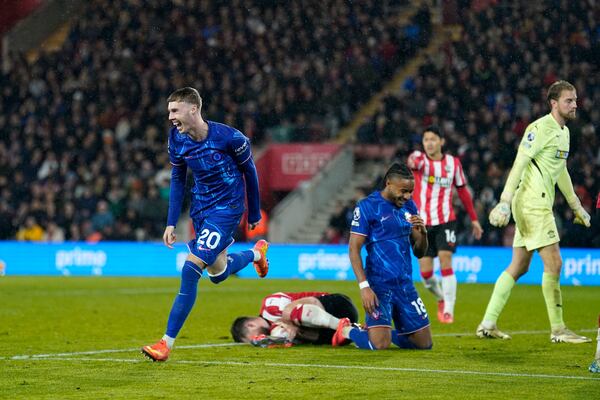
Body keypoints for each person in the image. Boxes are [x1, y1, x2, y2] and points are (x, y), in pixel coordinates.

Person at [142, 87, 270, 362]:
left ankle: (165, 343)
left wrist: (255, 211)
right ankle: (257, 254)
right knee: (218, 273)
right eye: (169, 111)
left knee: (191, 269)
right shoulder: (176, 139)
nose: (170, 117)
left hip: (228, 209)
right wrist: (170, 222)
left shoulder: (230, 138)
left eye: (175, 111)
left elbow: (250, 171)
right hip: (201, 208)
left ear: (193, 109)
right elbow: (178, 178)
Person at [477, 80, 592, 343]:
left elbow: (560, 170)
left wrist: (576, 206)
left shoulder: (564, 132)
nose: (575, 105)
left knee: (519, 266)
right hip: (532, 203)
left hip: (534, 202)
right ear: (554, 103)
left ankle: (487, 323)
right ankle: (559, 329)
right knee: (555, 262)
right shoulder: (539, 128)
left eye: (575, 100)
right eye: (568, 101)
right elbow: (520, 163)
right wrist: (504, 200)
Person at [332, 162, 432, 350]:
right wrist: (364, 287)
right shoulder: (367, 207)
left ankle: (376, 331)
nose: (408, 196)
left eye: (410, 191)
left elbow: (419, 252)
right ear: (389, 184)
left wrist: (423, 234)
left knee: (423, 344)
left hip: (404, 285)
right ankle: (348, 331)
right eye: (404, 191)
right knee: (379, 345)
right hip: (379, 286)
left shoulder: (409, 206)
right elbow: (354, 249)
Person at [407, 125, 483, 323]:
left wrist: (474, 219)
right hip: (421, 224)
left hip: (446, 221)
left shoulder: (453, 164)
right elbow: (412, 161)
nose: (429, 143)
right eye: (426, 140)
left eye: (433, 139)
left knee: (445, 259)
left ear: (441, 141)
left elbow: (463, 192)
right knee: (426, 274)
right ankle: (441, 298)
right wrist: (412, 160)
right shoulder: (420, 161)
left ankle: (449, 309)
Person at [230, 291, 359, 346]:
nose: (258, 339)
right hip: (331, 335)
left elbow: (309, 303)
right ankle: (355, 331)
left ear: (250, 325)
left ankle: (342, 326)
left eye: (254, 338)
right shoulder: (275, 332)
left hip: (338, 306)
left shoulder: (269, 306)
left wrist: (288, 322)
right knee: (290, 334)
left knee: (289, 312)